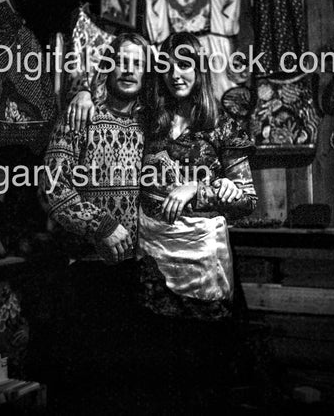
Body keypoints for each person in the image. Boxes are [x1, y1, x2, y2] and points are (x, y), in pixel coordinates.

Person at [135, 31, 258, 411]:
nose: (176, 74)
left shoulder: (221, 124)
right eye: (167, 65)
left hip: (203, 270)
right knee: (161, 381)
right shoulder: (147, 121)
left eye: (185, 64)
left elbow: (248, 199)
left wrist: (195, 190)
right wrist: (86, 95)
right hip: (152, 267)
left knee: (205, 382)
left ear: (199, 70)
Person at [40, 32, 149, 413]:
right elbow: (52, 185)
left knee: (127, 389)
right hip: (86, 271)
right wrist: (101, 226)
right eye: (123, 61)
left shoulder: (153, 125)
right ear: (109, 65)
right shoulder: (79, 116)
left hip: (140, 274)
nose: (129, 70)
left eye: (138, 63)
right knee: (84, 387)